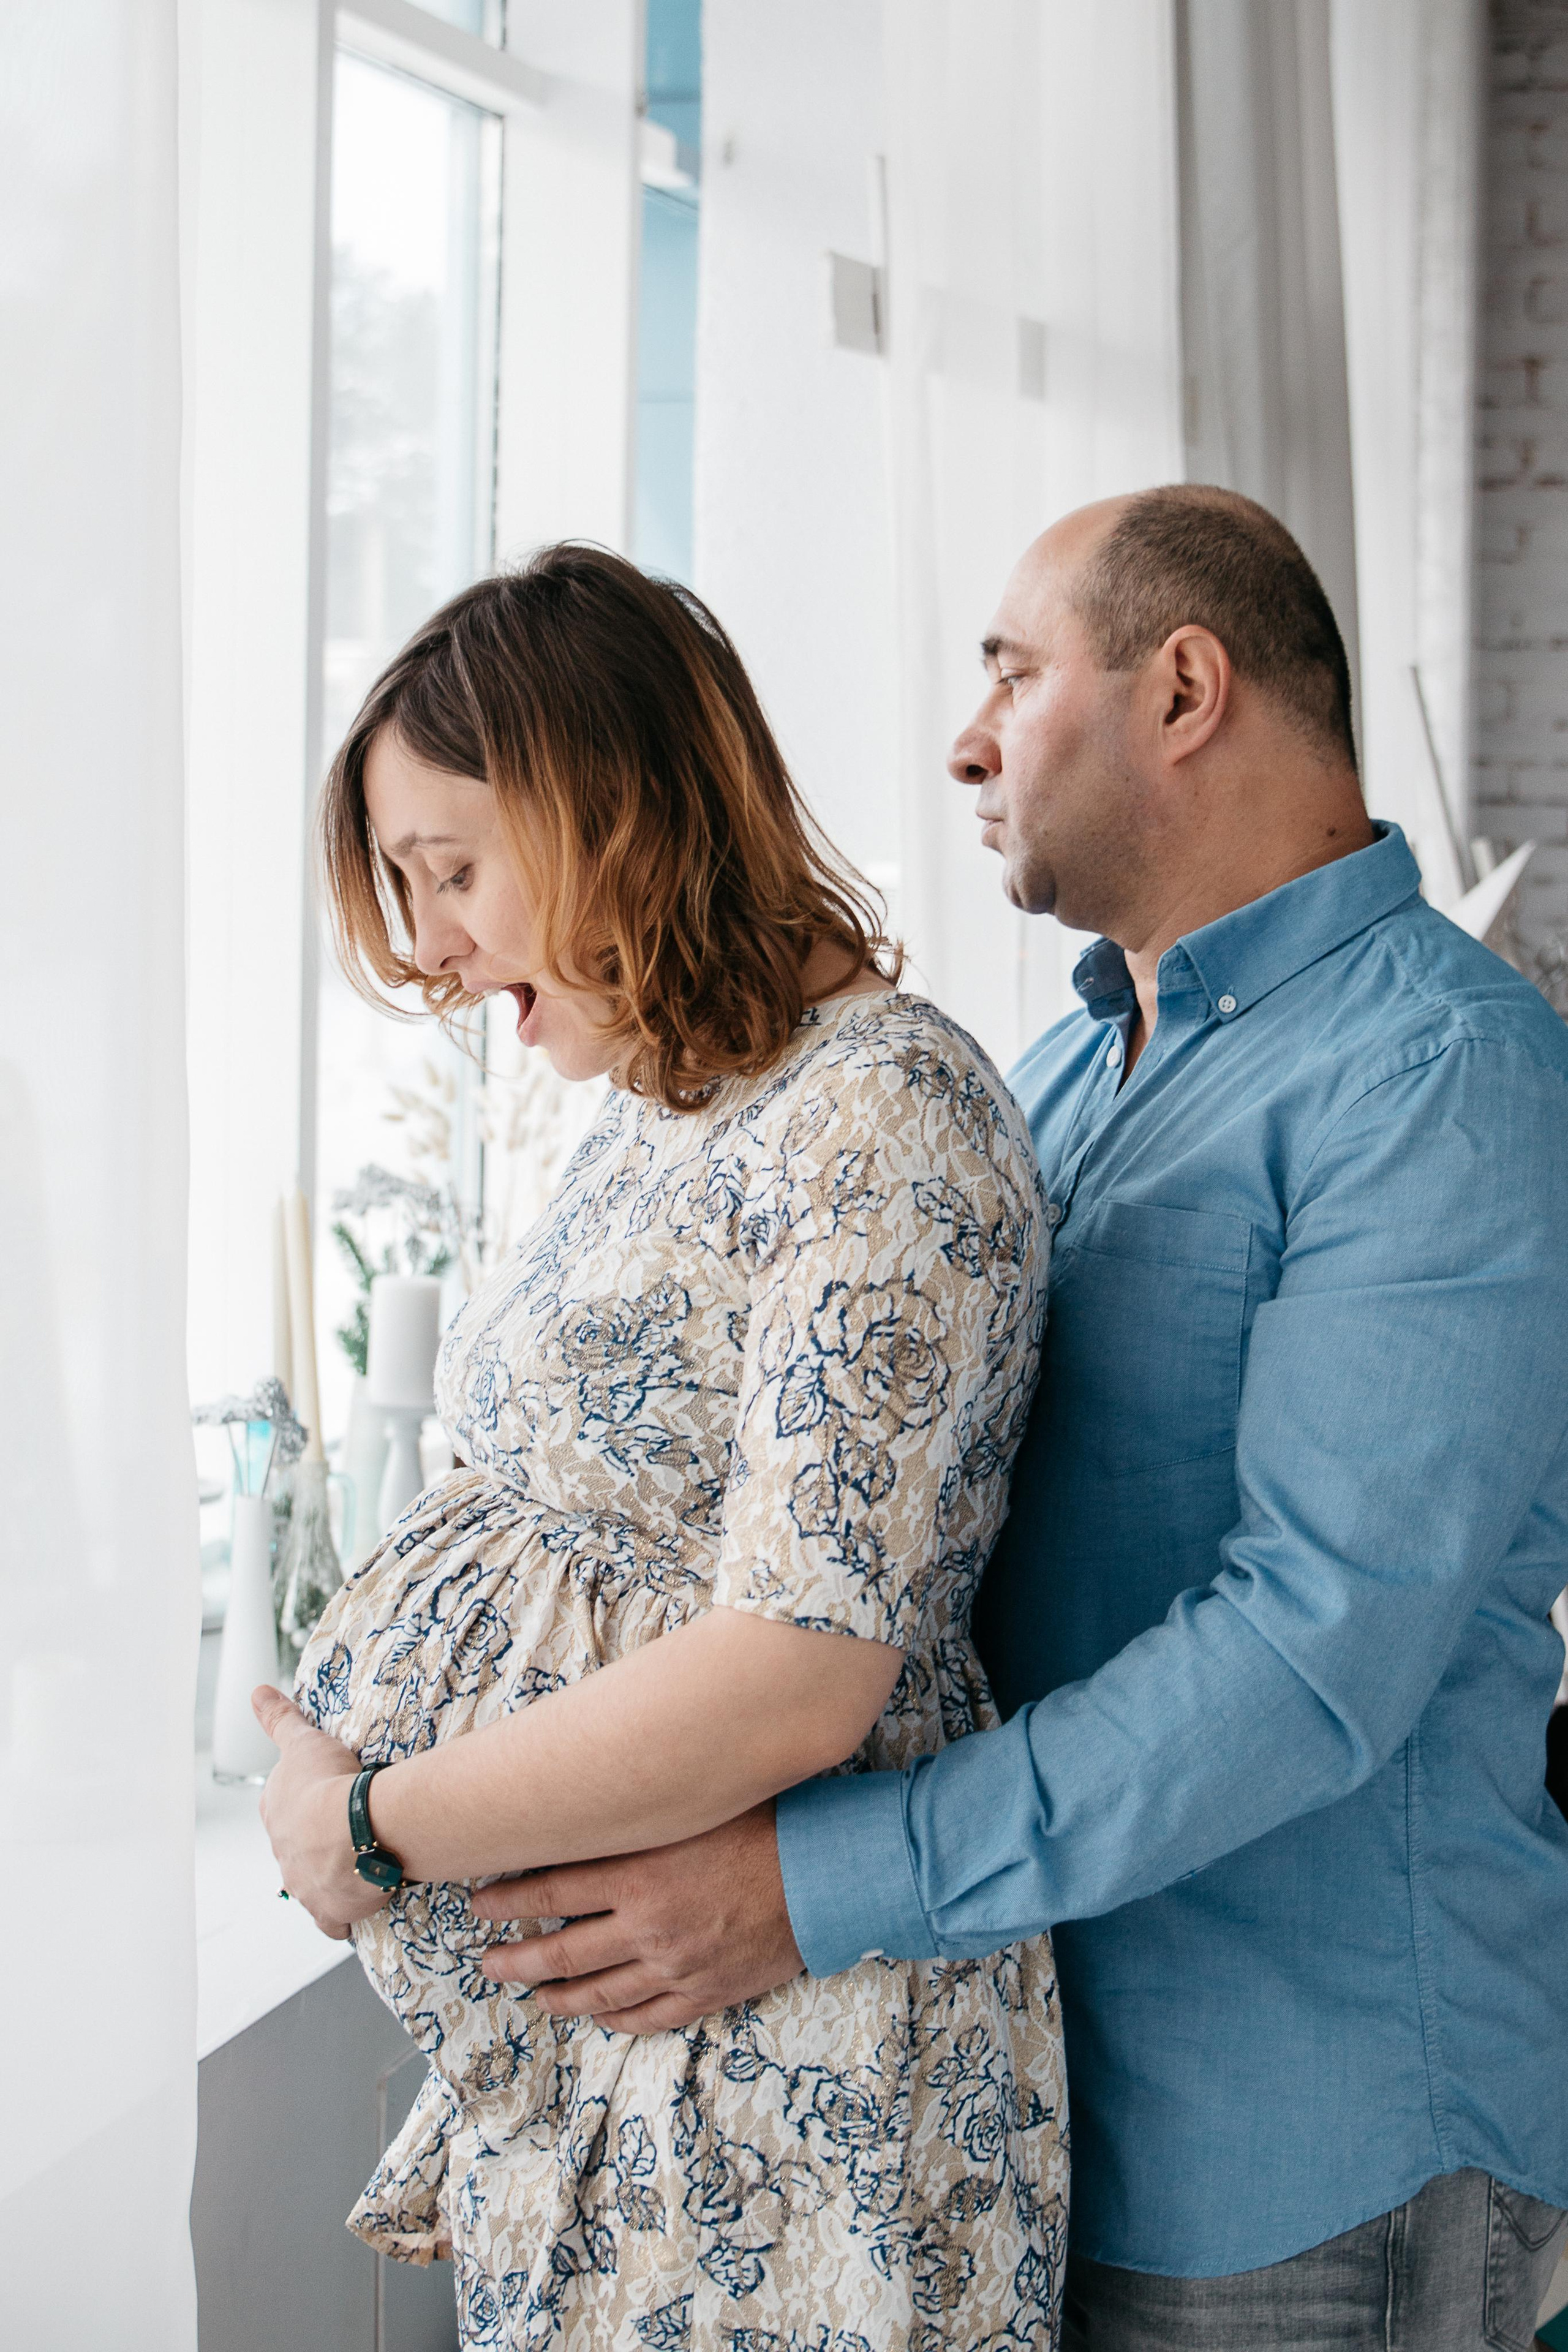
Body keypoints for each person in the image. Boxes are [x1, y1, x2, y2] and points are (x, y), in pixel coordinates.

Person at [466, 488, 1568, 2350]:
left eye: (1013, 672)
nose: (967, 740)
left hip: (1311, 2154)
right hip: (1034, 2112)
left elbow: (1313, 1656)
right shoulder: (1056, 1069)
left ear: (1187, 688)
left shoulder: (1435, 1071)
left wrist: (805, 1891)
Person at [254, 544, 1066, 2348]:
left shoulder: (884, 1120)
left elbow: (798, 1669)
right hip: (648, 2049)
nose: (430, 951)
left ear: (607, 804)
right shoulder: (674, 1100)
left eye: (449, 874)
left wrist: (375, 1830)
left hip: (794, 2053)